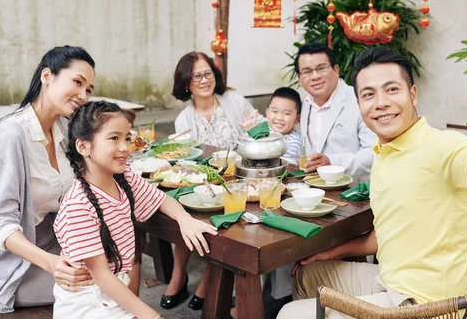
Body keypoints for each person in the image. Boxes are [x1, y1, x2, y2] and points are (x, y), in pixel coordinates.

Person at [278, 43, 467, 318]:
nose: (381, 103)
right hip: (389, 281)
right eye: (369, 95)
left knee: (289, 314)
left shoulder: (440, 146)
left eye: (392, 90)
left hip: (425, 307)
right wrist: (331, 252)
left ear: (412, 95)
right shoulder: (384, 153)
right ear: (359, 104)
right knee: (307, 273)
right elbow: (385, 235)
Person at [53, 101, 218, 319]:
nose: (125, 147)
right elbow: (102, 276)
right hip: (89, 303)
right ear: (83, 146)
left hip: (115, 291)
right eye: (114, 138)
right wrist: (151, 316)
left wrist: (184, 219)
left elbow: (161, 200)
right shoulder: (78, 206)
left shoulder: (124, 178)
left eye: (127, 138)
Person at [0, 46, 96, 313]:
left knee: (120, 262)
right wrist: (51, 263)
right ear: (47, 76)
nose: (83, 95)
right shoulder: (12, 135)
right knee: (97, 287)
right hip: (15, 262)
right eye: (78, 82)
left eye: (89, 89)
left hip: (57, 245)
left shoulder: (65, 129)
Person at [167, 51, 264, 310]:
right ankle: (178, 276)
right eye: (196, 75)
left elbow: (263, 133)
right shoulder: (183, 119)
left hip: (241, 182)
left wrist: (251, 131)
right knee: (184, 216)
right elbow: (187, 161)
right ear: (186, 82)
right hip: (205, 186)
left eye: (207, 73)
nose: (203, 80)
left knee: (220, 224)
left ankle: (206, 283)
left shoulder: (233, 100)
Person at [294, 43, 376, 179]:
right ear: (300, 79)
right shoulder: (303, 106)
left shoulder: (360, 100)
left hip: (355, 192)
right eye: (307, 72)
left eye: (321, 68)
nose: (315, 76)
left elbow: (374, 153)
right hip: (314, 190)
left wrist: (332, 162)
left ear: (336, 70)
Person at [266, 87, 303, 165]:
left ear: (297, 119)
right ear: (267, 113)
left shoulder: (294, 142)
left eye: (287, 113)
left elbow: (284, 166)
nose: (279, 118)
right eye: (275, 111)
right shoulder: (263, 130)